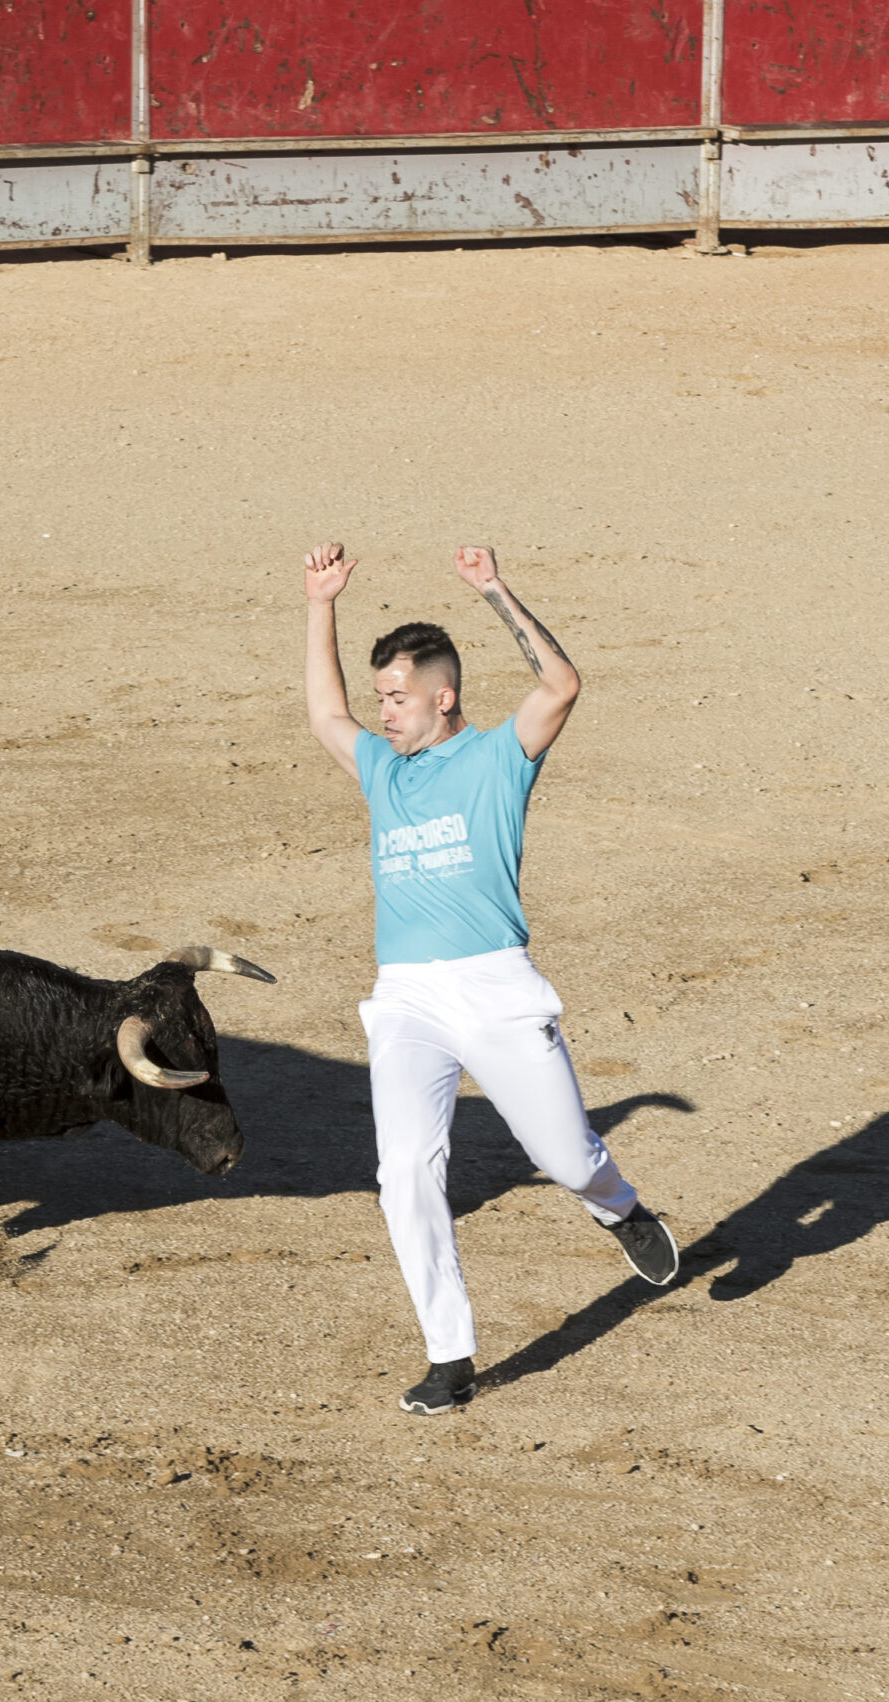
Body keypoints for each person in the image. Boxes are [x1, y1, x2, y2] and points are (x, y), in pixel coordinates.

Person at [302, 541, 680, 1415]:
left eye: (397, 698)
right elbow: (325, 714)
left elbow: (561, 686)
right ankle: (450, 1354)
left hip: (497, 988)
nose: (382, 713)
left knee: (565, 1158)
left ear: (444, 696)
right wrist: (320, 603)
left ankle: (619, 1207)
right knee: (405, 1171)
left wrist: (495, 591)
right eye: (381, 699)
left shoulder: (498, 760)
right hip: (405, 997)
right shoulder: (382, 774)